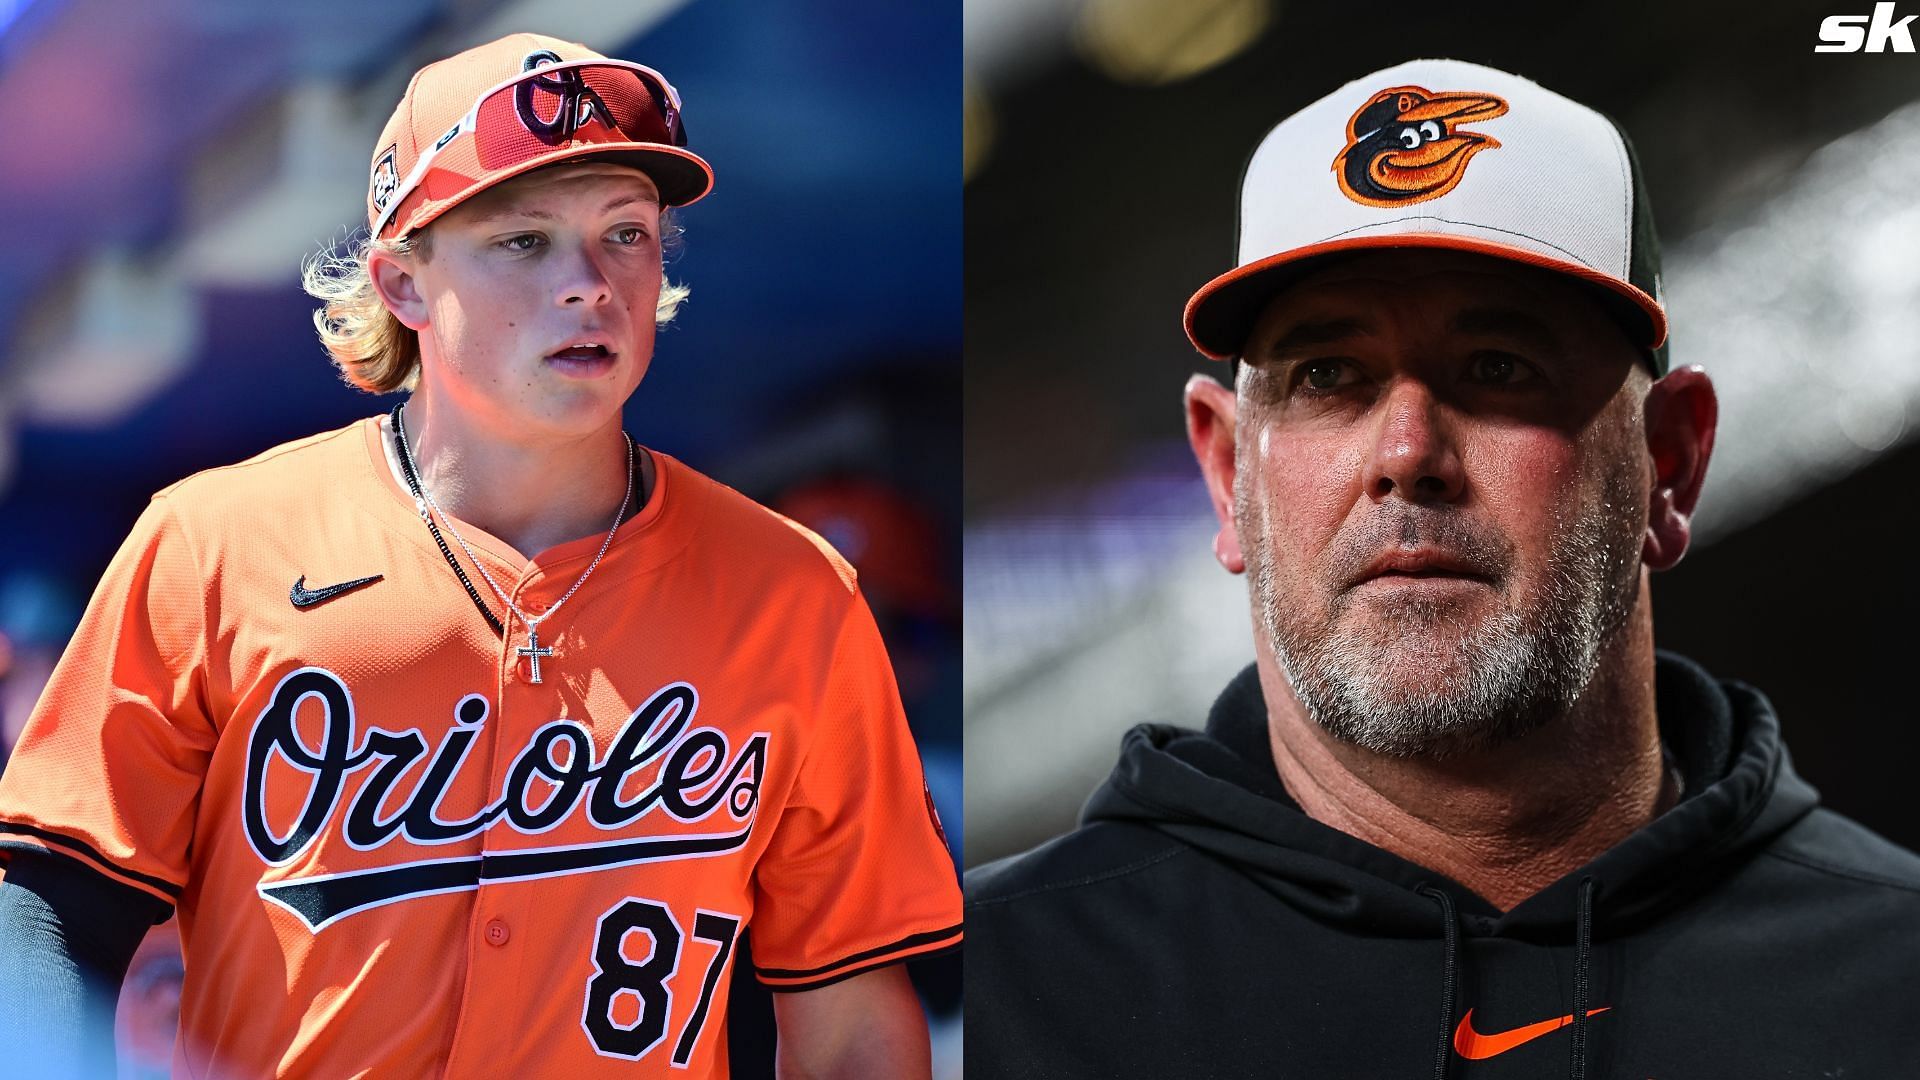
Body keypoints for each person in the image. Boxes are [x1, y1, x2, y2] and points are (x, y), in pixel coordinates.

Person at [0, 33, 960, 1079]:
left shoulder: (796, 594)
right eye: (523, 241)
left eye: (627, 233)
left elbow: (853, 1015)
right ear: (402, 283)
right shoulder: (212, 544)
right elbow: (45, 912)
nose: (590, 282)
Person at [965, 58, 1920, 1078]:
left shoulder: (1893, 973)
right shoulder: (979, 993)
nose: (1407, 453)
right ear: (1226, 471)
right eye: (1329, 376)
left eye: (1498, 367)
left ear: (1669, 463)